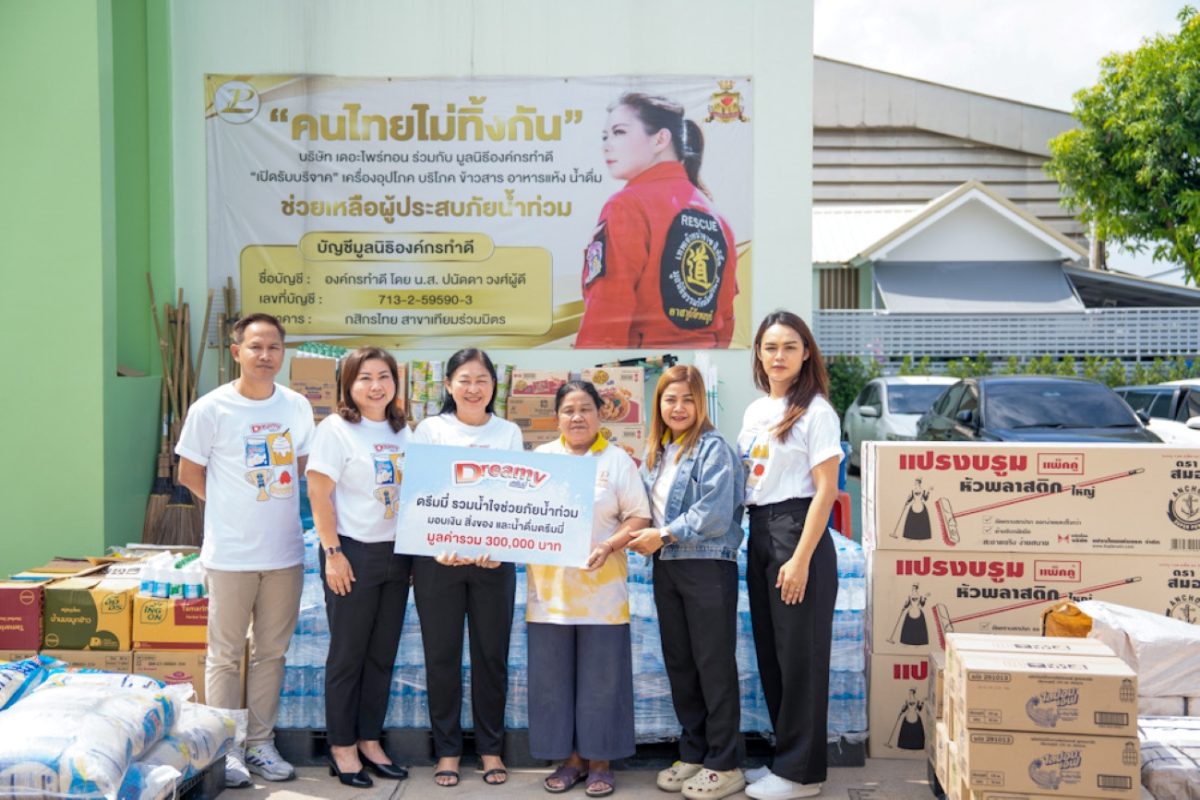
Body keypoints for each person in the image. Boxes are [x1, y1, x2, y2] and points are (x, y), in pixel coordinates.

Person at [176, 313, 315, 786]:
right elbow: (189, 473)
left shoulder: (296, 406)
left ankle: (260, 743)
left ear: (283, 352)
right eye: (255, 346)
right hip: (231, 555)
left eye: (274, 347)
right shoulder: (211, 409)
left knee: (271, 653)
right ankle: (224, 748)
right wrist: (232, 508)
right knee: (225, 653)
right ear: (236, 352)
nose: (265, 355)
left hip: (284, 555)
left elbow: (303, 468)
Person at [737, 311, 842, 800]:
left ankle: (804, 775)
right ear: (759, 353)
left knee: (801, 658)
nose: (778, 356)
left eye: (789, 347)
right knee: (774, 656)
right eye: (770, 346)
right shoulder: (757, 411)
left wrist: (799, 560)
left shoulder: (817, 411)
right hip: (761, 530)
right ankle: (785, 759)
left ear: (806, 355)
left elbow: (825, 492)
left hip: (798, 531)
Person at [628, 366, 745, 800]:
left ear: (701, 403)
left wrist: (663, 535)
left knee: (713, 665)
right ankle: (694, 752)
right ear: (658, 404)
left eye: (688, 399)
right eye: (669, 399)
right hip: (668, 566)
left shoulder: (714, 449)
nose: (678, 408)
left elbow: (713, 514)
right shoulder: (658, 452)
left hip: (706, 566)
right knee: (681, 663)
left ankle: (725, 762)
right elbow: (643, 510)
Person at [529, 380, 651, 798]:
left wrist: (608, 544)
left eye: (585, 409)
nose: (576, 417)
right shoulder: (541, 460)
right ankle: (570, 761)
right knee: (553, 680)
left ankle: (600, 761)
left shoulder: (617, 462)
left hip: (603, 593)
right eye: (568, 410)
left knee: (602, 679)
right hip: (550, 596)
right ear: (557, 417)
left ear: (601, 414)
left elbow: (639, 517)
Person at [410, 348, 524, 788]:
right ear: (448, 385)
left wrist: (499, 545)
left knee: (490, 657)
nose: (473, 388)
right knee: (441, 657)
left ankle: (491, 749)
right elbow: (420, 494)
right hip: (439, 562)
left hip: (494, 562)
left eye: (482, 379)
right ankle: (448, 752)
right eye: (464, 379)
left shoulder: (508, 432)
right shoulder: (430, 430)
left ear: (494, 385)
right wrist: (436, 544)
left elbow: (515, 499)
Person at [306, 347, 411, 788]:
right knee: (349, 655)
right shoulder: (336, 429)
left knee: (382, 655)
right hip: (351, 552)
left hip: (398, 553)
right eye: (364, 377)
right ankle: (342, 747)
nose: (375, 385)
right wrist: (333, 553)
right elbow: (318, 493)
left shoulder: (404, 430)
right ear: (348, 384)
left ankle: (370, 740)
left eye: (383, 376)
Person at [575, 92, 738, 349]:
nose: (607, 145)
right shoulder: (717, 217)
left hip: (643, 377)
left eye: (619, 132)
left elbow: (607, 315)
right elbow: (724, 320)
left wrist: (592, 381)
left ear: (661, 139)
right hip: (698, 378)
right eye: (605, 136)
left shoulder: (628, 205)